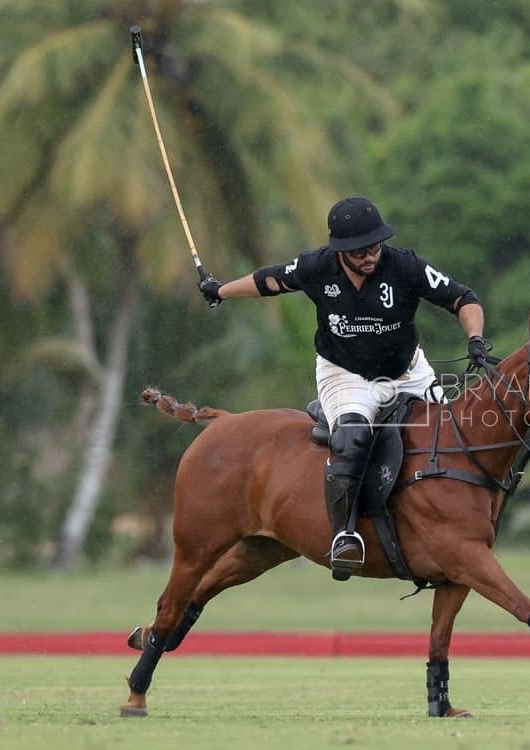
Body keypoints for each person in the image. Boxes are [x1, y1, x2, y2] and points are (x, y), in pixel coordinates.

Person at [198, 197, 491, 578]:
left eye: (375, 245)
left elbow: (462, 297)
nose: (371, 254)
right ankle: (345, 535)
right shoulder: (316, 267)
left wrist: (475, 339)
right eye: (361, 250)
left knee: (447, 434)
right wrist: (220, 291)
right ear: (341, 251)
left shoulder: (404, 265)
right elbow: (269, 280)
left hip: (407, 372)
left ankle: (450, 522)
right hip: (345, 373)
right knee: (353, 436)